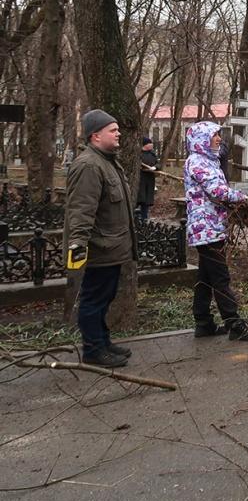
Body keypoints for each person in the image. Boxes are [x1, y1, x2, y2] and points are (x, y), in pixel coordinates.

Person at [64, 109, 136, 368]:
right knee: (94, 299)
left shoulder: (107, 161)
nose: (118, 134)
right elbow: (82, 211)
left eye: (117, 129)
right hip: (98, 249)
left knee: (104, 297)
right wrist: (78, 245)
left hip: (111, 247)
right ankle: (93, 350)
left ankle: (103, 341)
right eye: (112, 130)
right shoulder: (88, 166)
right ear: (96, 136)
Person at [183, 121, 248, 341]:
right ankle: (234, 324)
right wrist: (242, 197)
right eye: (215, 135)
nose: (219, 139)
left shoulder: (208, 160)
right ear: (201, 139)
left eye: (219, 134)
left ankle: (203, 322)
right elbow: (217, 191)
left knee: (206, 276)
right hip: (206, 229)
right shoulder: (198, 162)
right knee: (220, 276)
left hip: (212, 227)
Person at [136, 137, 159, 221]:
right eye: (150, 143)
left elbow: (158, 164)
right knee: (139, 198)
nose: (152, 145)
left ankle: (144, 217)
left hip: (150, 179)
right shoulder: (138, 154)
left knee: (146, 200)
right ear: (145, 145)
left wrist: (155, 167)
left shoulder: (153, 154)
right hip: (140, 178)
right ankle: (136, 216)